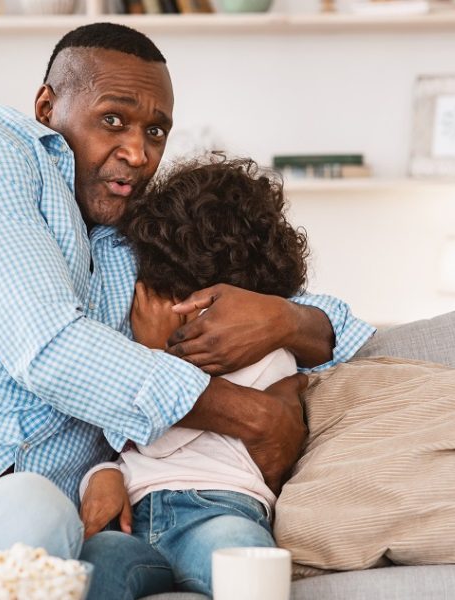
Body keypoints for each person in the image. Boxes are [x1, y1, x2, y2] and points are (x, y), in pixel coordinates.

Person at [0, 23, 375, 600]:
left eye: (155, 132)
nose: (137, 151)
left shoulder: (141, 236)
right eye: (114, 120)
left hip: (10, 504)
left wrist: (282, 319)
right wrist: (250, 416)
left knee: (40, 509)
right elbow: (49, 348)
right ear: (48, 107)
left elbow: (324, 316)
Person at [79, 156, 310, 598]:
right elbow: (114, 442)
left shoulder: (270, 356)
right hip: (133, 518)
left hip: (219, 513)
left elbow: (276, 454)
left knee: (247, 557)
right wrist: (101, 476)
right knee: (95, 566)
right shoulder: (127, 351)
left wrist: (156, 356)